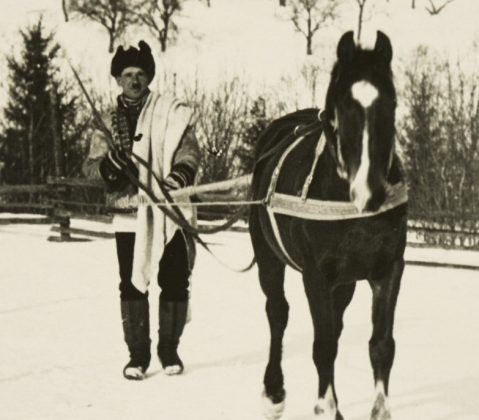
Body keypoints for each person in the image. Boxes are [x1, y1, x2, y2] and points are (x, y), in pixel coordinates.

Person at [83, 40, 200, 380]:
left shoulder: (171, 112)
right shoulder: (106, 122)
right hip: (129, 214)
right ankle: (137, 356)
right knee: (133, 284)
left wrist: (179, 174)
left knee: (175, 279)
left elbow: (189, 150)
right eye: (127, 74)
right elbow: (91, 169)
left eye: (140, 74)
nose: (134, 81)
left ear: (149, 76)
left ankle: (169, 351)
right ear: (117, 78)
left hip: (169, 210)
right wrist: (110, 166)